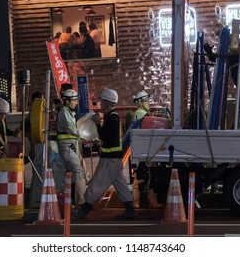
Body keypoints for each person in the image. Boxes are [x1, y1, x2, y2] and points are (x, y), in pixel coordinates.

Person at [72, 88, 136, 220]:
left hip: (110, 159)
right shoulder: (111, 117)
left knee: (97, 183)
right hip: (114, 158)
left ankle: (85, 210)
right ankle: (130, 210)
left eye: (102, 102)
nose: (100, 104)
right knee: (120, 184)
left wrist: (97, 124)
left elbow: (105, 136)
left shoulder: (112, 118)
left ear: (108, 103)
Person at [204, 23, 240, 129]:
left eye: (218, 33)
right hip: (236, 70)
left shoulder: (233, 39)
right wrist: (209, 53)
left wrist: (231, 56)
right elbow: (219, 59)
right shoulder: (224, 43)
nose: (218, 36)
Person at [131, 90, 163, 209]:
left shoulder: (142, 113)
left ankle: (149, 201)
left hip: (144, 150)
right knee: (139, 178)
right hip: (142, 150)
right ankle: (137, 203)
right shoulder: (140, 113)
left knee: (147, 175)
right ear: (140, 103)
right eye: (146, 101)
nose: (148, 103)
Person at [56, 89, 86, 207]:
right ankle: (82, 200)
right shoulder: (64, 113)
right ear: (67, 101)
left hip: (70, 145)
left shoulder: (68, 113)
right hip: (67, 146)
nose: (76, 103)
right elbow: (72, 130)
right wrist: (86, 135)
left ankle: (69, 201)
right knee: (78, 171)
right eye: (74, 100)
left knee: (71, 172)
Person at [24, 91, 45, 209]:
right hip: (35, 144)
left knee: (39, 171)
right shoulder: (33, 114)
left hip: (38, 144)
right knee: (37, 171)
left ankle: (37, 198)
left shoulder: (40, 113)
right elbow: (26, 129)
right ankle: (35, 199)